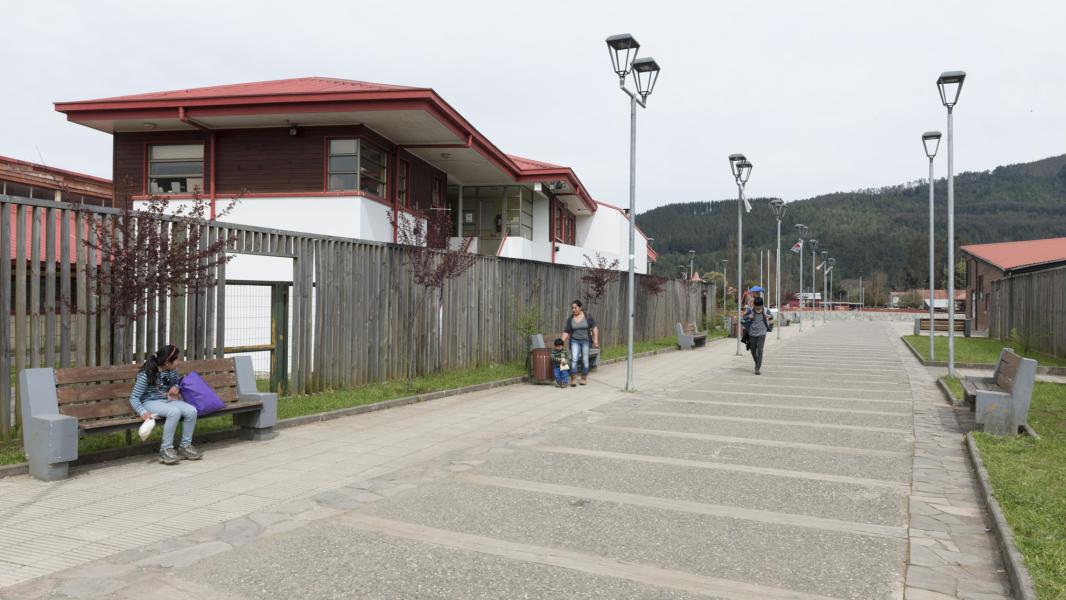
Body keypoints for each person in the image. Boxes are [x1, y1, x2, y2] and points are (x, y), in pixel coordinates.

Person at [128, 344, 202, 464]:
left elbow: (176, 382)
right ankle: (165, 449)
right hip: (150, 402)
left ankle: (185, 446)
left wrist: (176, 387)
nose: (178, 362)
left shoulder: (171, 371)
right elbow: (134, 397)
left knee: (191, 411)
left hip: (167, 401)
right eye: (177, 359)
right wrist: (142, 412)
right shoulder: (146, 374)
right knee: (174, 412)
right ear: (167, 362)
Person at [562, 300, 599, 387]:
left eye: (575, 308)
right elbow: (567, 331)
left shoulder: (587, 316)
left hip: (586, 340)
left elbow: (594, 327)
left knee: (585, 359)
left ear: (580, 307)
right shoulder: (571, 318)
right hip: (575, 340)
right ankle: (573, 378)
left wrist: (595, 339)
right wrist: (562, 340)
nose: (573, 310)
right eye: (572, 308)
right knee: (574, 359)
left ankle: (584, 377)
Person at [741, 297, 773, 375]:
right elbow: (743, 318)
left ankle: (757, 368)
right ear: (754, 305)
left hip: (762, 333)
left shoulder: (766, 310)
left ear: (762, 305)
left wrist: (769, 316)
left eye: (759, 307)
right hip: (752, 333)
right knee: (752, 350)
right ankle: (757, 362)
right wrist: (749, 317)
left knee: (760, 350)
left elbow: (772, 316)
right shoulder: (750, 310)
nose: (758, 308)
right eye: (756, 306)